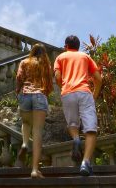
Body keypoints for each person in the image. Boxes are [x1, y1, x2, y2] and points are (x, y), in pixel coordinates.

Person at [53, 35, 102, 176]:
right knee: (90, 129)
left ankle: (75, 139)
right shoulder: (85, 57)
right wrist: (94, 95)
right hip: (85, 92)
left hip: (68, 93)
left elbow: (57, 77)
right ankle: (85, 162)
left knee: (72, 124)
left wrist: (64, 87)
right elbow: (98, 78)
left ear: (66, 46)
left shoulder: (61, 57)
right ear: (78, 46)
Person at [15, 43, 54, 178]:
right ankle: (35, 170)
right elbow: (49, 84)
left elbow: (19, 78)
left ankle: (25, 144)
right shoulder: (46, 65)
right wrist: (45, 93)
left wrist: (17, 91)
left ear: (32, 51)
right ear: (44, 53)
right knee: (37, 132)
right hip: (40, 94)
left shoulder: (24, 62)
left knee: (26, 123)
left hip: (25, 94)